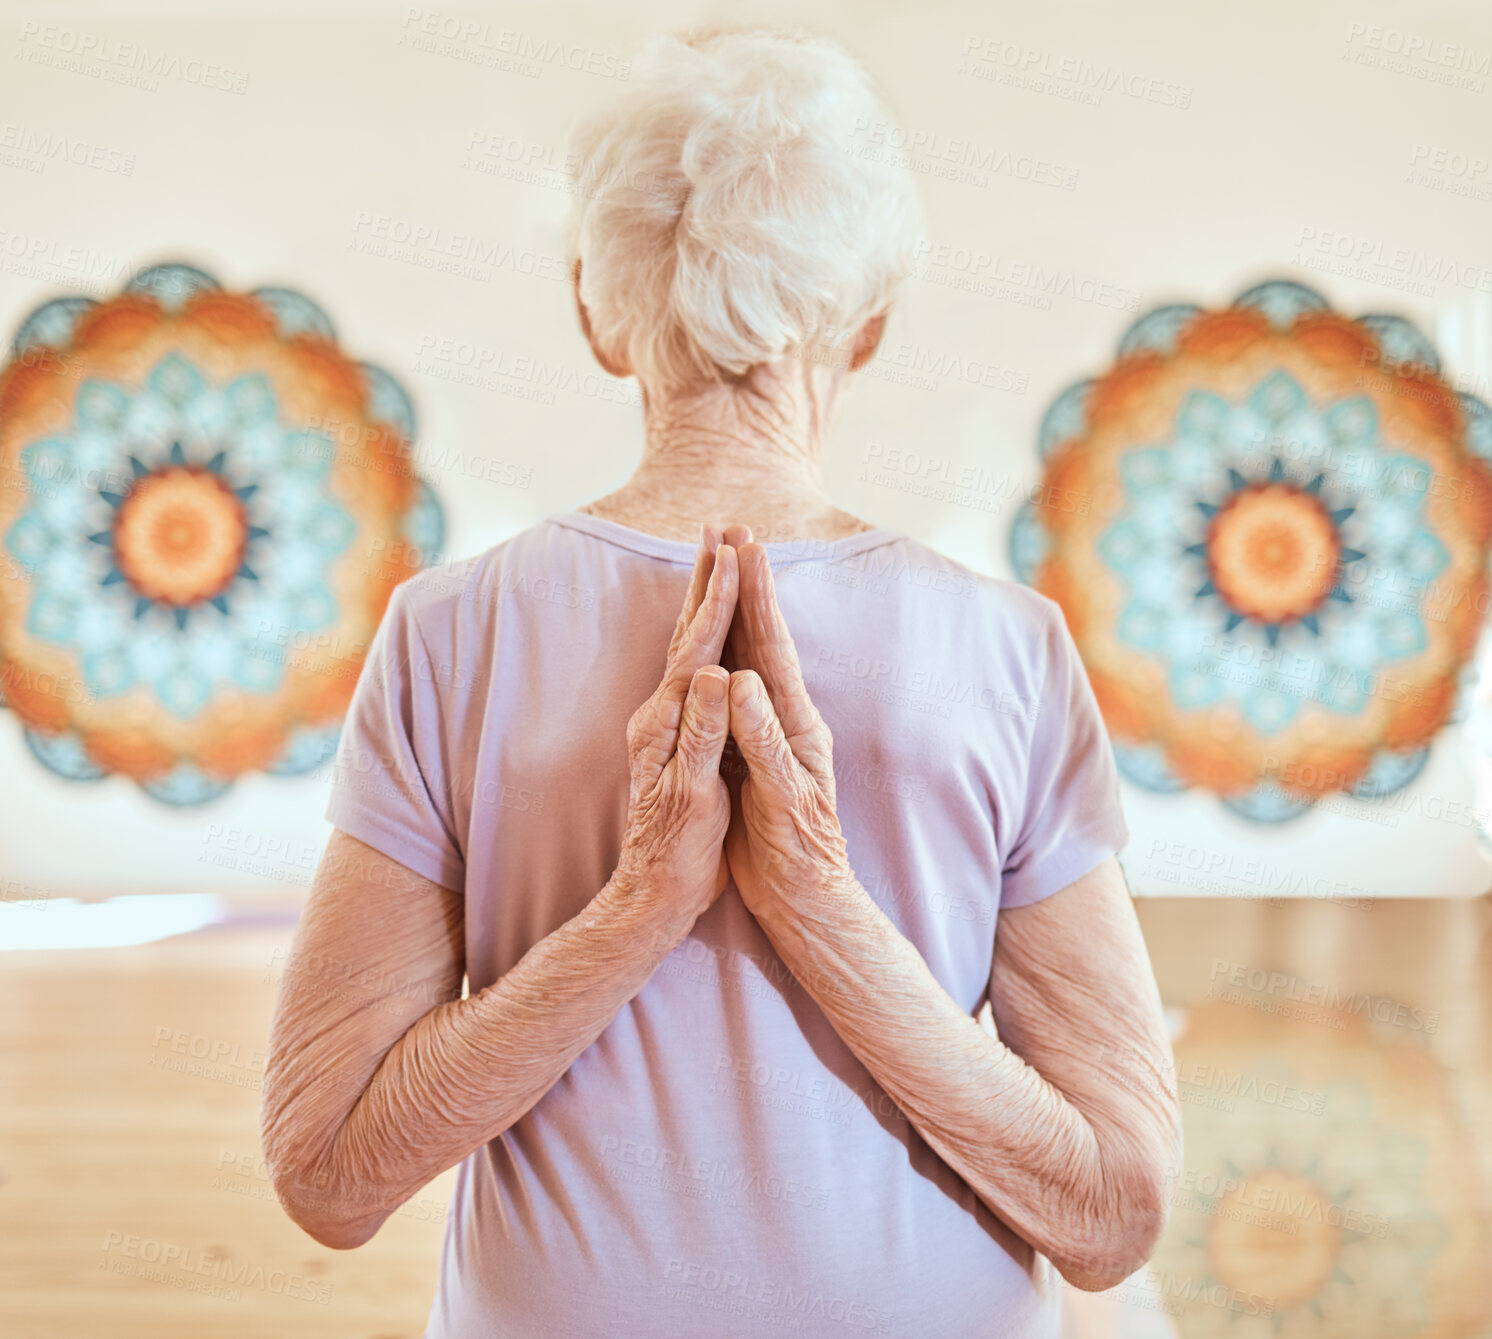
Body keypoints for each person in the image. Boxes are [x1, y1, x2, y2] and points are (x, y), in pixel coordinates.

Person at [262, 25, 1181, 1338]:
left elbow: (328, 1173)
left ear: (596, 312)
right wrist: (641, 903)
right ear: (867, 328)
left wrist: (810, 898)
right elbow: (1113, 1213)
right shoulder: (1007, 646)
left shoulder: (448, 631)